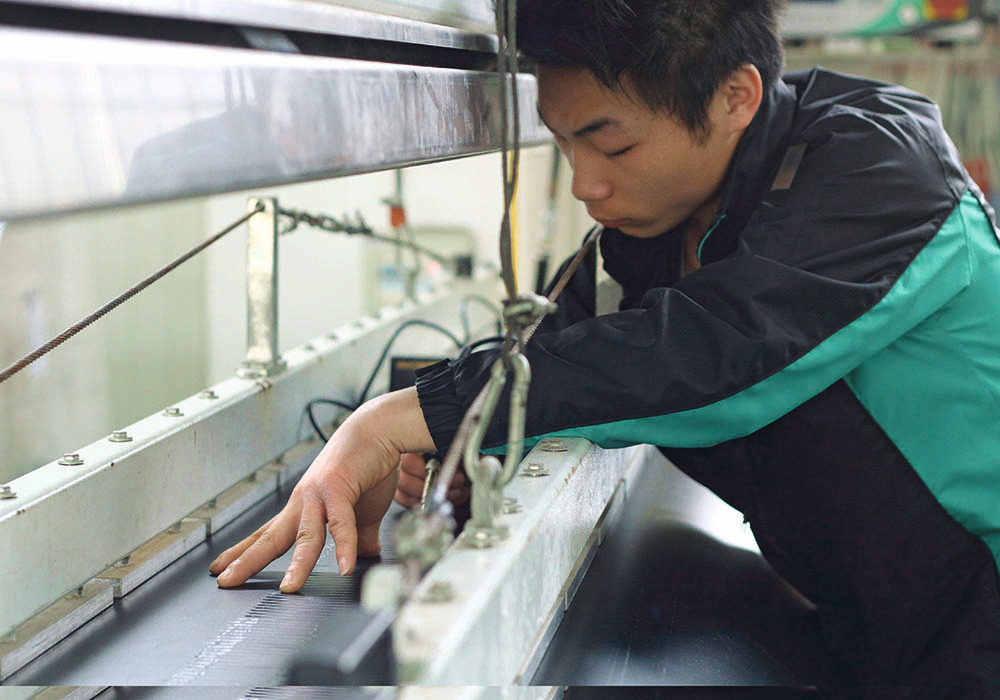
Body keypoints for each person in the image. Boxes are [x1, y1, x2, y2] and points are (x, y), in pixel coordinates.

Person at [210, 0, 1000, 692]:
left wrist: (402, 417)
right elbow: (565, 349)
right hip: (876, 622)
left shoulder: (881, 172)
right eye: (564, 144)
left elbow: (712, 358)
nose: (587, 183)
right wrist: (450, 450)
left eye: (612, 147)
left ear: (736, 97)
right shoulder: (663, 227)